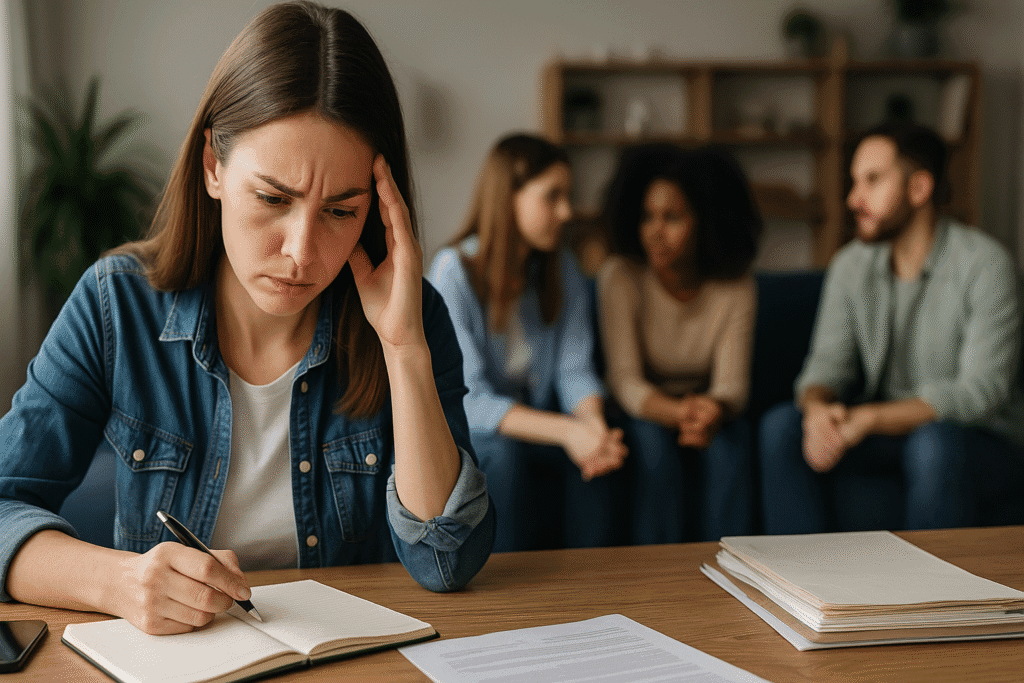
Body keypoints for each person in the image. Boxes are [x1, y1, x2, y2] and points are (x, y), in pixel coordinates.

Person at [0, 1, 495, 635]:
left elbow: (446, 561)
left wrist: (402, 349)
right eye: (272, 198)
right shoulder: (115, 304)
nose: (301, 252)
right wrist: (120, 581)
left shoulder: (410, 317)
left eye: (341, 211)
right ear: (213, 166)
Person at [760, 121, 1024, 533]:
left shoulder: (986, 265)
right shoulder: (850, 265)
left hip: (974, 436)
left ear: (919, 189)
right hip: (885, 434)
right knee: (781, 427)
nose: (853, 199)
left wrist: (869, 418)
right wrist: (816, 411)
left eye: (872, 181)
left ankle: (931, 578)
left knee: (933, 443)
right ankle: (798, 573)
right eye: (854, 182)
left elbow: (981, 393)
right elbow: (826, 365)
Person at [427, 134, 628, 552]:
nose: (566, 212)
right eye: (552, 197)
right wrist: (569, 431)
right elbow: (469, 399)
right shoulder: (453, 272)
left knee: (610, 450)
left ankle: (600, 579)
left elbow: (575, 369)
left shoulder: (563, 269)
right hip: (482, 430)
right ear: (509, 198)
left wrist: (594, 430)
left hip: (542, 420)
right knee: (503, 454)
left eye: (567, 197)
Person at [596, 144, 760, 543]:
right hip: (643, 409)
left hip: (707, 409)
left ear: (707, 221)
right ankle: (655, 570)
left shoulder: (736, 286)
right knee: (652, 446)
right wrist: (678, 413)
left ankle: (734, 564)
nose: (655, 231)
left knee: (730, 446)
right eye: (646, 216)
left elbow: (732, 386)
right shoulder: (621, 276)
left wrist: (712, 410)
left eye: (672, 217)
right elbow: (624, 380)